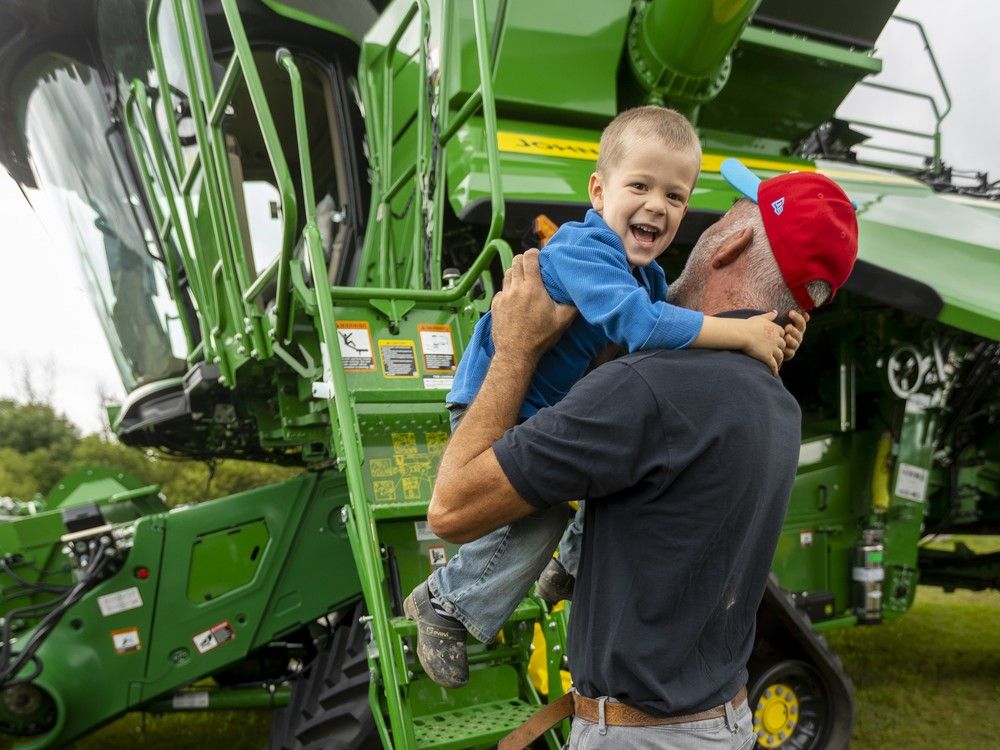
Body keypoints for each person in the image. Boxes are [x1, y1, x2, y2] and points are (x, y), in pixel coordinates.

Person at [426, 159, 859, 748]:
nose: (681, 218)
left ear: (731, 245)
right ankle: (560, 572)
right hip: (723, 721)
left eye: (723, 210)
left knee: (545, 510)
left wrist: (516, 349)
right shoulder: (775, 403)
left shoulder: (651, 388)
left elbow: (450, 511)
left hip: (641, 737)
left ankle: (450, 602)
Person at [403, 107, 805, 688]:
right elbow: (641, 328)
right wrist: (742, 332)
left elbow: (682, 335)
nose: (656, 206)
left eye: (674, 195)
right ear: (598, 189)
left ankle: (565, 568)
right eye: (638, 185)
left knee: (623, 475)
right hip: (503, 403)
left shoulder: (649, 278)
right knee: (533, 517)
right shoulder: (583, 251)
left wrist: (771, 328)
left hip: (552, 407)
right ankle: (445, 603)